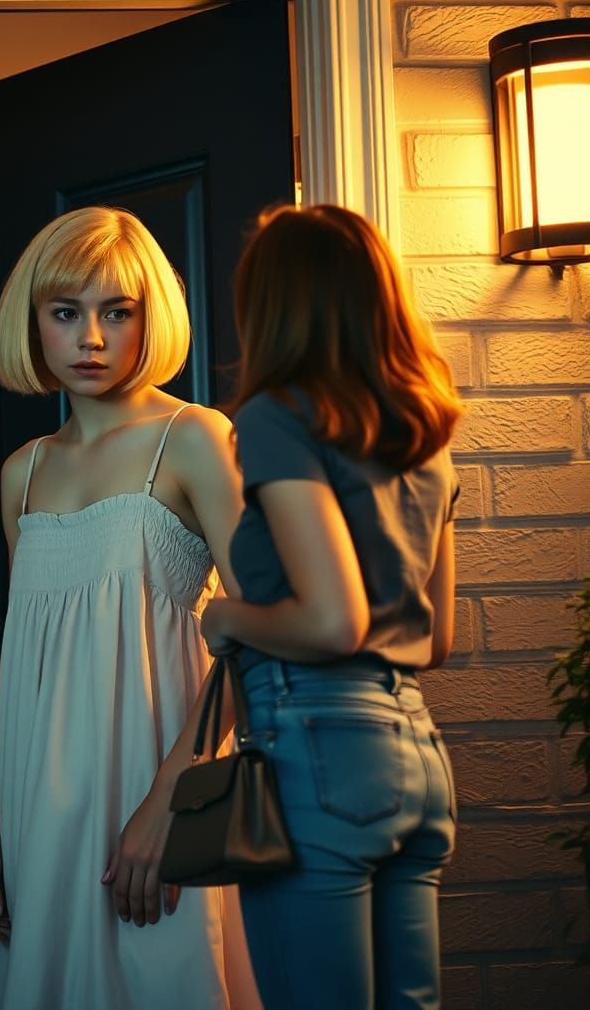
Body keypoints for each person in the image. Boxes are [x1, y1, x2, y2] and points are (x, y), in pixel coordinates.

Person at [0, 206, 260, 1009]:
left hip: (151, 782)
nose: (91, 337)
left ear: (145, 319)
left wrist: (172, 799)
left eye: (115, 312)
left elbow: (259, 630)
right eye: (66, 313)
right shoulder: (22, 472)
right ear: (36, 324)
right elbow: (17, 658)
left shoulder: (195, 437)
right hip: (37, 802)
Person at [201, 203, 462, 1010]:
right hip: (417, 750)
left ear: (274, 304)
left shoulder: (278, 418)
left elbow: (332, 622)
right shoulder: (426, 434)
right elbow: (439, 637)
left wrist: (226, 619)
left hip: (321, 749)